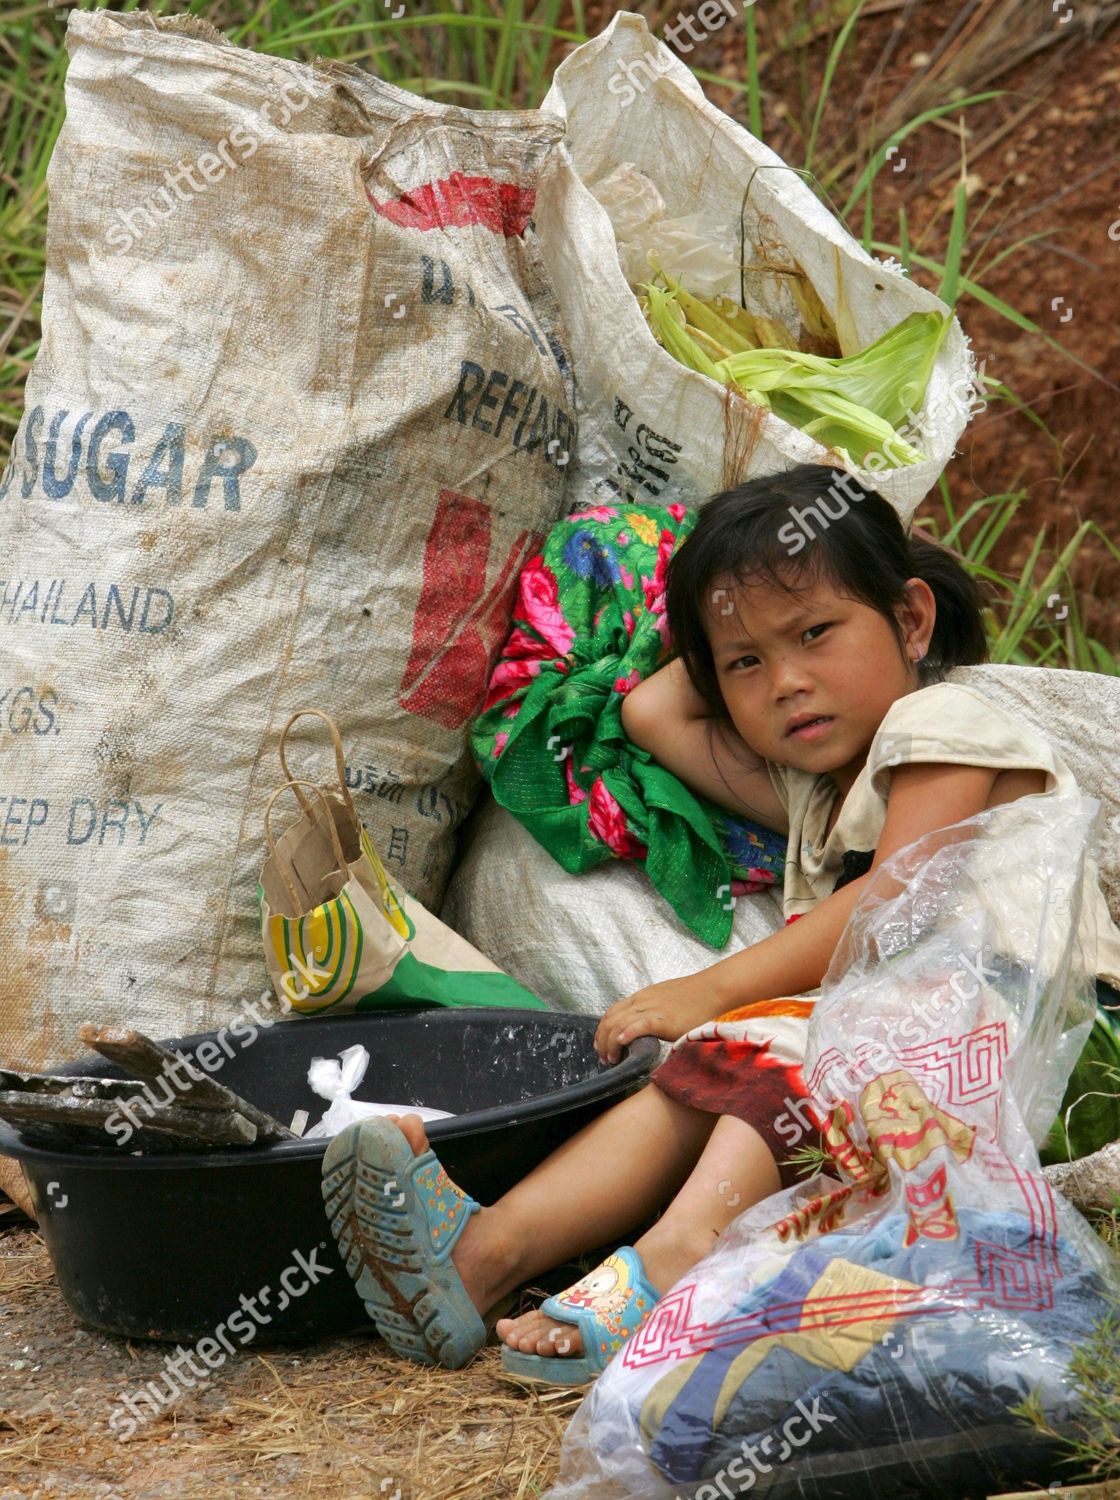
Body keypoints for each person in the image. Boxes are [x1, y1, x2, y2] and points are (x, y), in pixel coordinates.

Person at [321, 462, 1120, 1387]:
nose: (786, 682)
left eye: (816, 634)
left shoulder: (949, 720)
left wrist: (707, 985)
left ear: (910, 620)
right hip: (925, 1052)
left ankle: (675, 1257)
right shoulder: (821, 799)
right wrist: (718, 609)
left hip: (1065, 1049)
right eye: (746, 665)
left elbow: (893, 897)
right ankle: (482, 1258)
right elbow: (653, 707)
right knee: (717, 1060)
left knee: (785, 1030)